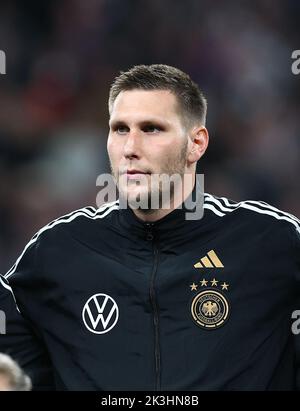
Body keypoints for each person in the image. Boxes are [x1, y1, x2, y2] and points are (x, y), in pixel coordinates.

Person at [0, 64, 299, 390]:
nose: (131, 148)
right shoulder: (57, 253)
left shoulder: (269, 243)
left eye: (152, 129)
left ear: (196, 143)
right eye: (120, 129)